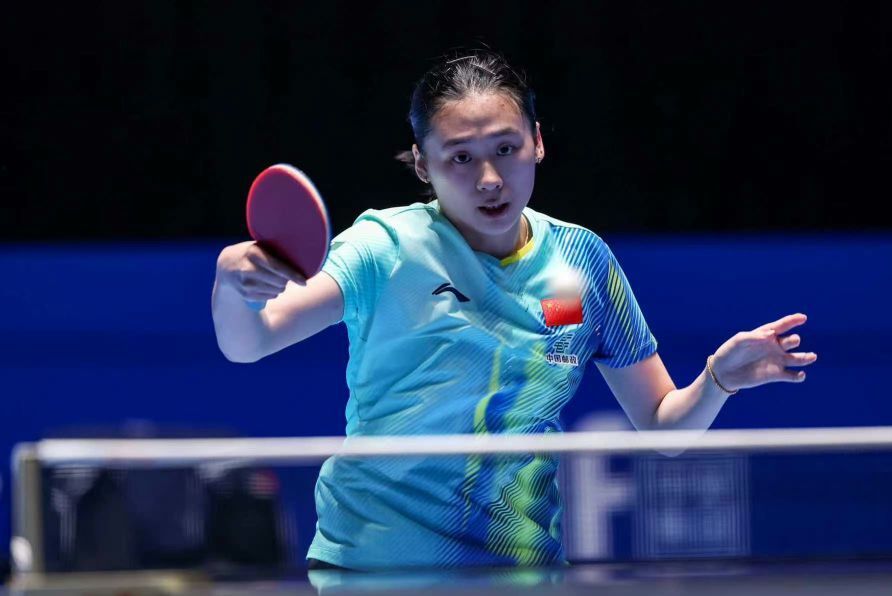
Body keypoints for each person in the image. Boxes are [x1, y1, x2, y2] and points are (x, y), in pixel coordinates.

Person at [211, 49, 817, 571]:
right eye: (460, 157)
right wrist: (232, 283)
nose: (489, 178)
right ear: (422, 164)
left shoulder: (582, 262)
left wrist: (717, 380)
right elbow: (251, 342)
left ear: (538, 141)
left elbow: (664, 429)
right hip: (374, 569)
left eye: (506, 148)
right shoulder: (385, 249)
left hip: (518, 570)